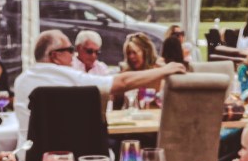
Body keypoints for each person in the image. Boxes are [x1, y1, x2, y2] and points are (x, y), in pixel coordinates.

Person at [14, 30, 184, 137]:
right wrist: (164, 70)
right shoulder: (68, 76)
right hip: (67, 159)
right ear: (54, 55)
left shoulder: (21, 80)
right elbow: (122, 82)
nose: (73, 55)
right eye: (70, 50)